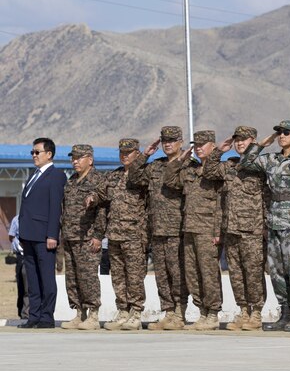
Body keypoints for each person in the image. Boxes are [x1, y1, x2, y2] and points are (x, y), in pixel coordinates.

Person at [239, 120, 290, 332]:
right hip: (274, 220)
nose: (282, 136)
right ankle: (285, 311)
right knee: (276, 269)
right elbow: (245, 163)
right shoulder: (271, 160)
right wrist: (263, 143)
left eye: (286, 132)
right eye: (279, 133)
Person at [203, 126, 268, 331]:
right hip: (230, 229)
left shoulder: (261, 165)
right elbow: (209, 171)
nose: (240, 143)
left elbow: (268, 197)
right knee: (236, 274)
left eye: (244, 140)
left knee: (253, 272)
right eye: (237, 140)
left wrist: (265, 225)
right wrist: (219, 151)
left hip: (252, 229)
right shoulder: (230, 165)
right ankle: (243, 311)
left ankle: (256, 312)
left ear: (254, 140)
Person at [127, 126, 187, 330]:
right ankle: (168, 312)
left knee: (177, 273)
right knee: (162, 275)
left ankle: (179, 312)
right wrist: (144, 155)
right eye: (164, 141)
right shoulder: (155, 166)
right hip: (157, 229)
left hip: (177, 229)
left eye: (172, 140)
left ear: (181, 141)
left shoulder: (188, 164)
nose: (167, 144)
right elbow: (134, 177)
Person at [163, 130, 224, 331]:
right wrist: (180, 160)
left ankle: (213, 313)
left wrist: (217, 232)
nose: (198, 148)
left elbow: (219, 205)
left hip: (207, 230)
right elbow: (170, 180)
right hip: (189, 228)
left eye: (203, 144)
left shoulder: (217, 171)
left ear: (212, 147)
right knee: (192, 273)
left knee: (208, 273)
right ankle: (202, 312)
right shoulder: (190, 170)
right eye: (196, 144)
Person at [89, 138, 148, 331]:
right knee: (118, 276)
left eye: (128, 152)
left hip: (134, 235)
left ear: (137, 154)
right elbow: (101, 193)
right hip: (114, 234)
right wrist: (92, 197)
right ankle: (123, 310)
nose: (124, 155)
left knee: (134, 276)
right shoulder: (114, 176)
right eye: (122, 152)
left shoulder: (143, 176)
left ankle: (136, 312)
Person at [18, 137, 67, 329]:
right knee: (32, 279)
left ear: (49, 154)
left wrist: (52, 235)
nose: (34, 156)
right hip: (29, 235)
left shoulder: (56, 176)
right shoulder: (33, 175)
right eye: (32, 152)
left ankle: (46, 317)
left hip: (44, 236)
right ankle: (34, 316)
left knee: (46, 278)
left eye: (37, 152)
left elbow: (55, 208)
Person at [61, 144, 106, 330]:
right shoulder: (71, 180)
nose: (75, 161)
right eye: (73, 158)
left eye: (79, 158)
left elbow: (102, 212)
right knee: (72, 278)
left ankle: (93, 314)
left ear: (90, 159)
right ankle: (79, 313)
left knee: (88, 277)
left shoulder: (98, 180)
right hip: (70, 236)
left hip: (87, 238)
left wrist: (97, 236)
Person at [8, 215, 29, 321]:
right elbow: (11, 236)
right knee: (21, 286)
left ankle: (26, 313)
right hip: (20, 256)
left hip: (31, 255)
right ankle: (21, 311)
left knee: (28, 287)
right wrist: (16, 246)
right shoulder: (16, 219)